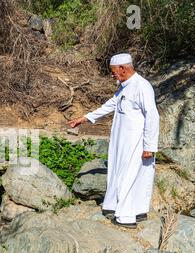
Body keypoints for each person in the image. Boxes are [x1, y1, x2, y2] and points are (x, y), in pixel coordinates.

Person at [68, 53, 159, 229]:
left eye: (113, 71)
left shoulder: (142, 86)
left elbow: (152, 116)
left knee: (128, 175)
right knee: (121, 173)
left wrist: (149, 146)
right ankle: (132, 210)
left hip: (136, 142)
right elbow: (110, 105)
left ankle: (126, 217)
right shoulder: (125, 87)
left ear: (123, 69)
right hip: (122, 142)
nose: (112, 75)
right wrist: (84, 118)